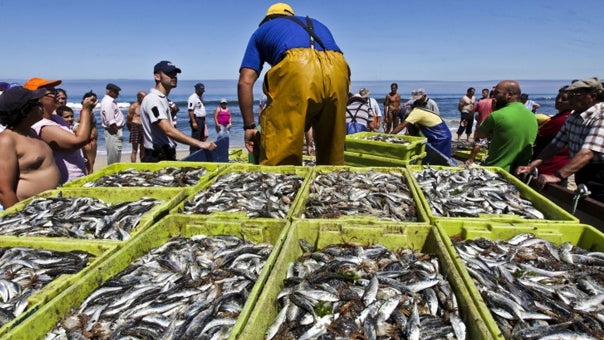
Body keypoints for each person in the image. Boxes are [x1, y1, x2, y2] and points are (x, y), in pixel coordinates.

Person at [238, 3, 350, 165]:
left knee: (280, 159)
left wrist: (249, 126)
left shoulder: (262, 31)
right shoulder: (317, 24)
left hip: (297, 66)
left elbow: (245, 82)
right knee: (332, 156)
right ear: (291, 16)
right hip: (339, 68)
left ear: (268, 19)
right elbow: (320, 80)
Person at [517, 77, 604, 202]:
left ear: (592, 96)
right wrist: (531, 166)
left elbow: (588, 152)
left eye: (575, 94)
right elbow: (555, 145)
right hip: (581, 171)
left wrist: (558, 176)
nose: (569, 98)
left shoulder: (601, 116)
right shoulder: (574, 116)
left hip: (600, 173)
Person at [140, 60, 216, 162]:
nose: (174, 76)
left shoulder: (163, 99)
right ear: (157, 76)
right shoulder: (153, 99)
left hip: (165, 152)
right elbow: (168, 130)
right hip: (157, 156)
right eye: (169, 73)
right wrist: (200, 143)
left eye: (175, 74)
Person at [23, 77, 96, 184]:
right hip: (65, 183)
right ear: (37, 98)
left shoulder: (56, 118)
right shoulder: (42, 126)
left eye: (56, 91)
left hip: (76, 179)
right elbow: (78, 141)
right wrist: (86, 110)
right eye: (52, 92)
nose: (57, 95)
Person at [0, 87, 60, 208]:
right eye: (36, 103)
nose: (41, 105)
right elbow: (4, 191)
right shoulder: (7, 141)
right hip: (30, 213)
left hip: (50, 207)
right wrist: (19, 220)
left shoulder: (31, 131)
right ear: (24, 111)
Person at [466, 80, 537, 173]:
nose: (493, 96)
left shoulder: (496, 115)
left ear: (509, 95)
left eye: (497, 93)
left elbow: (479, 136)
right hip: (519, 172)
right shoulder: (532, 116)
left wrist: (495, 109)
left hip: (495, 170)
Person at [530, 87, 572, 176]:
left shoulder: (561, 120)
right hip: (560, 163)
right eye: (558, 97)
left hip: (549, 165)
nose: (559, 101)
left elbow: (538, 135)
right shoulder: (567, 117)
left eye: (564, 99)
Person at [100, 83, 125, 164]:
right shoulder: (108, 102)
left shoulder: (109, 101)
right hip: (113, 131)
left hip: (113, 130)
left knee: (115, 154)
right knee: (114, 156)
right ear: (110, 92)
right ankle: (112, 174)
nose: (118, 94)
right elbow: (111, 121)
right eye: (116, 92)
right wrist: (117, 132)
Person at [80, 91, 99, 174]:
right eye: (91, 100)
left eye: (94, 100)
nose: (93, 102)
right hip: (89, 141)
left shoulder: (89, 112)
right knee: (90, 165)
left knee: (91, 163)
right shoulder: (86, 112)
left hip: (91, 140)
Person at [188, 82, 208, 153]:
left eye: (202, 91)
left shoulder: (200, 98)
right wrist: (193, 122)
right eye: (200, 91)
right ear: (196, 90)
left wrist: (204, 118)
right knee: (195, 137)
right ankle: (193, 153)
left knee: (201, 138)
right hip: (197, 120)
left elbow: (200, 109)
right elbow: (190, 111)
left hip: (201, 120)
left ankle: (199, 152)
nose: (202, 92)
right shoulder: (192, 98)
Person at [127, 91, 146, 162]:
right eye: (144, 97)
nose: (146, 98)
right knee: (134, 150)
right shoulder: (133, 106)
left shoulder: (145, 106)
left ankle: (142, 164)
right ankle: (133, 166)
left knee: (143, 148)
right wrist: (131, 129)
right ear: (139, 98)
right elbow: (128, 120)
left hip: (144, 127)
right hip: (135, 126)